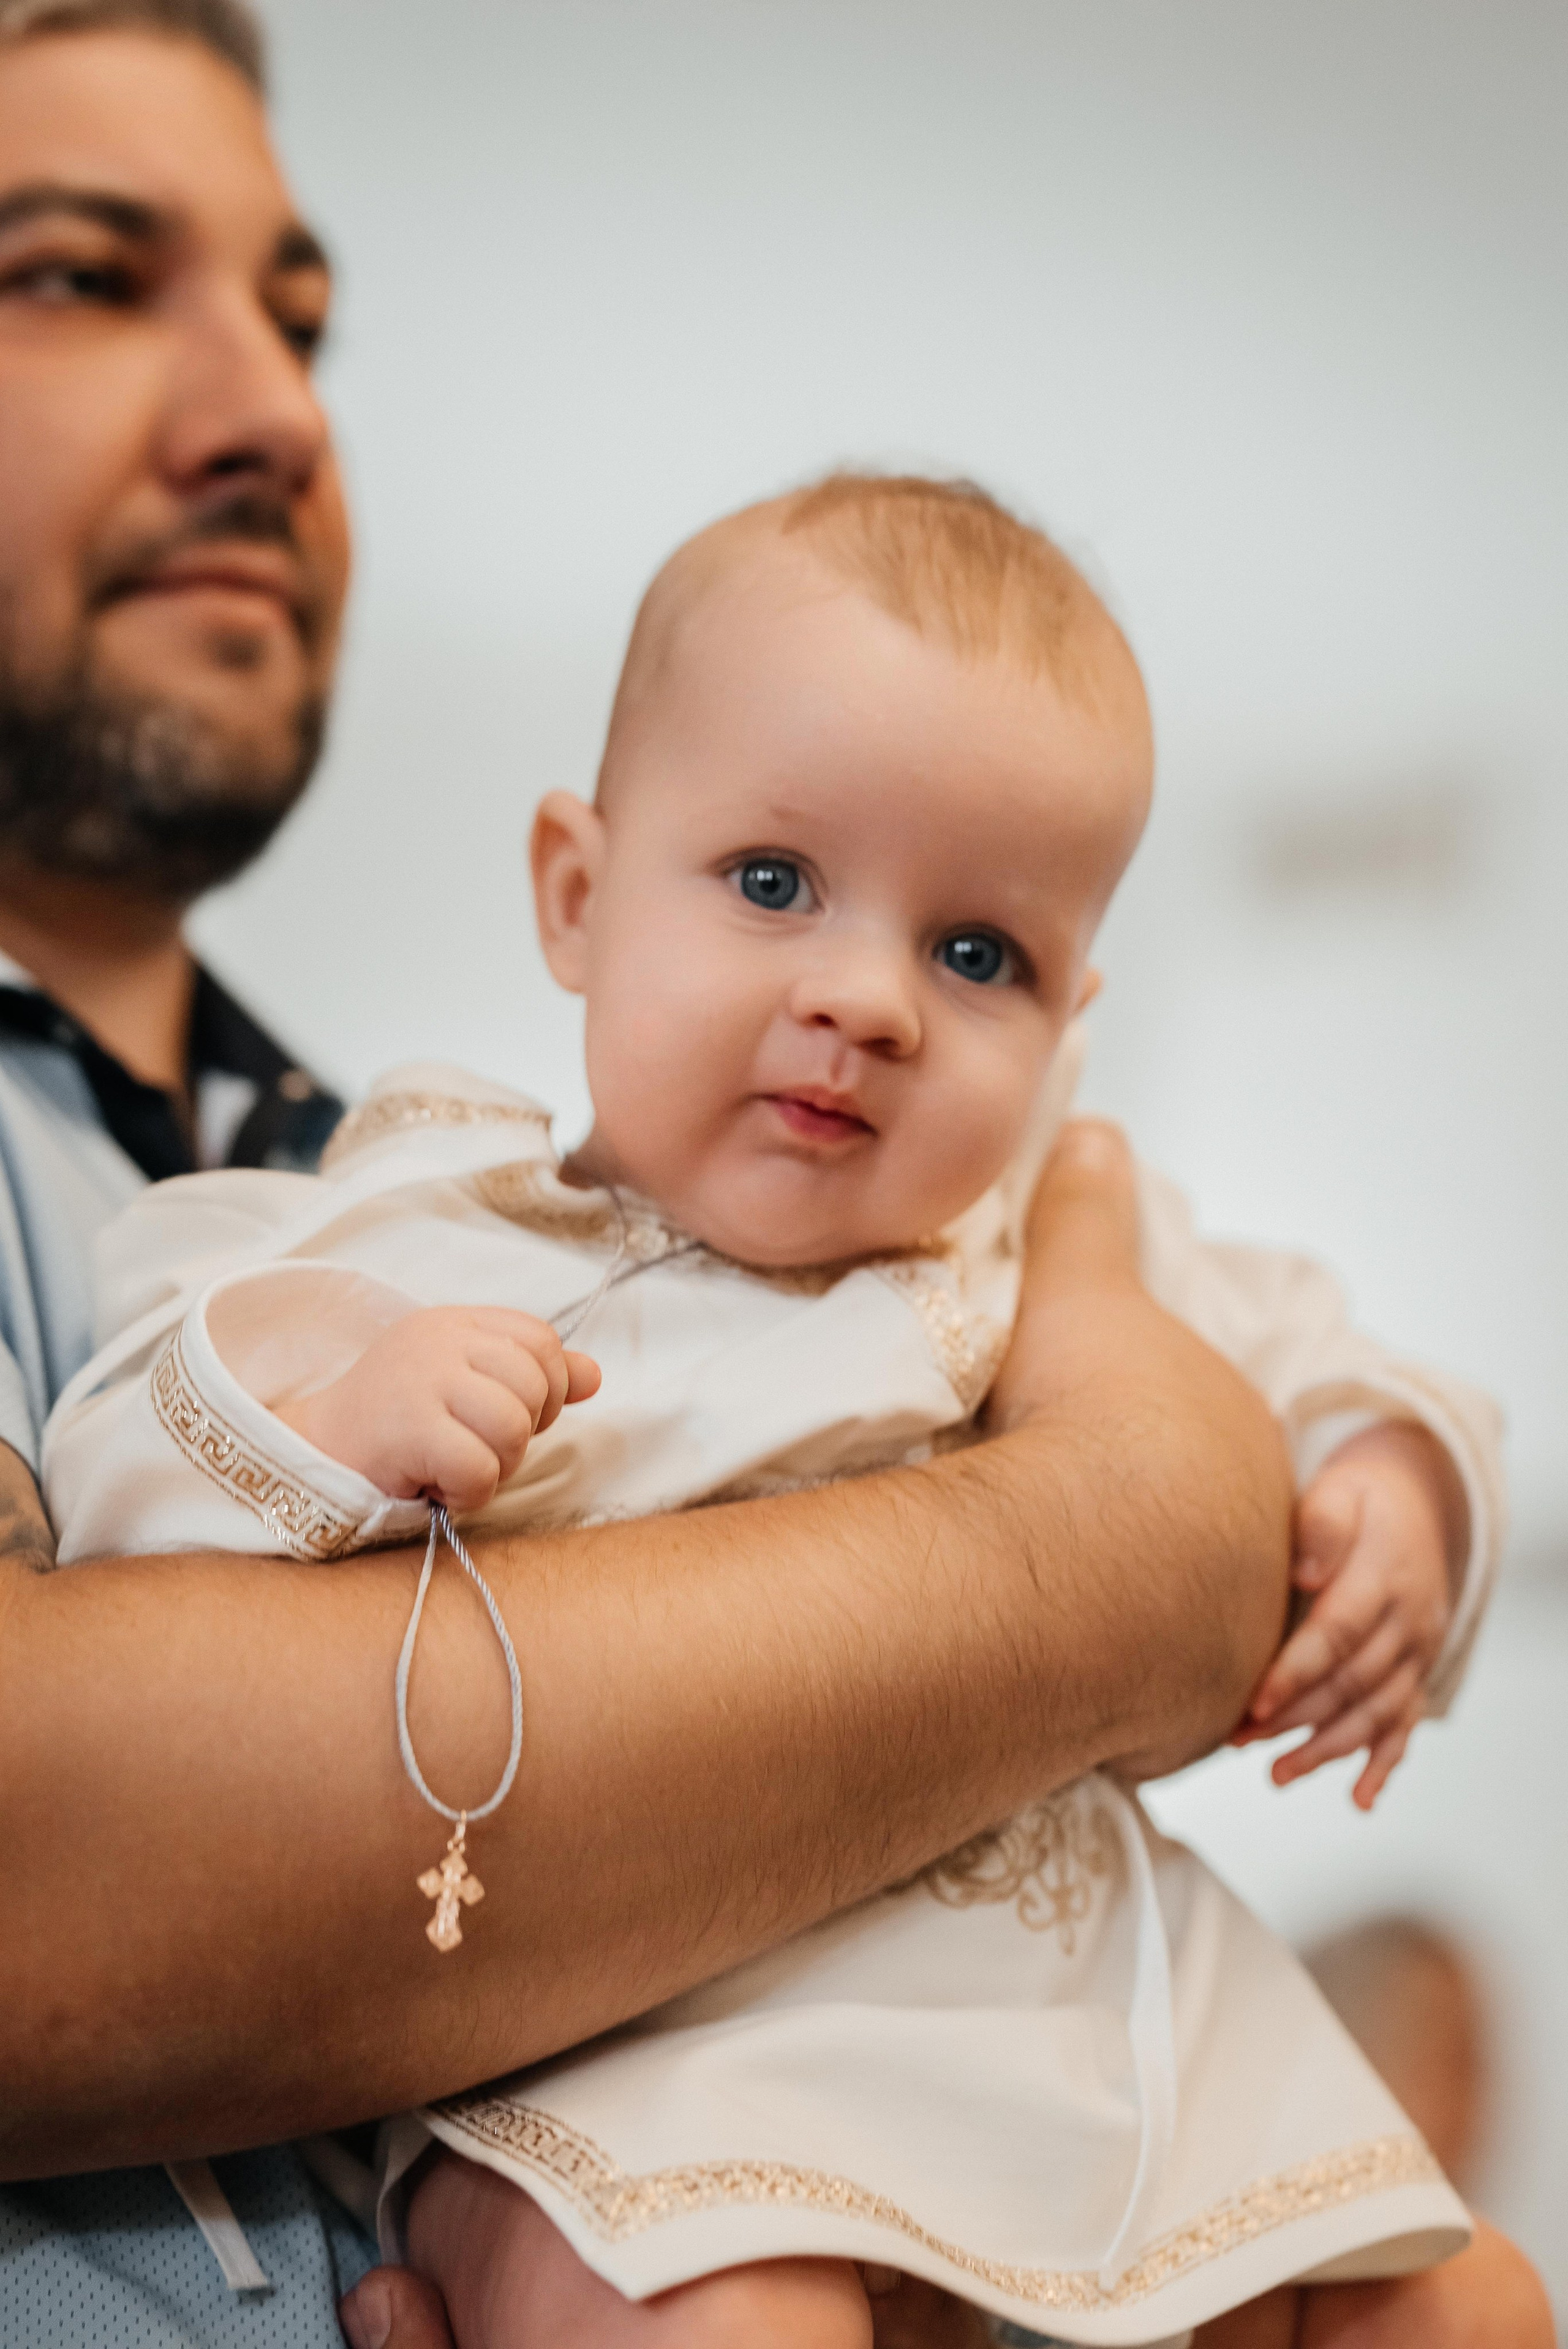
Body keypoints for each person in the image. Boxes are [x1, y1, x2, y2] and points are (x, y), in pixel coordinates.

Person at [0, 9, 1386, 2347]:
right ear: (578, 884)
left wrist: (1363, 1489)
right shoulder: (388, 1250)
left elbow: (1313, 1387)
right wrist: (1120, 1531)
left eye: (304, 319)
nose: (274, 412)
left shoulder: (383, 1167)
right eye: (74, 272)